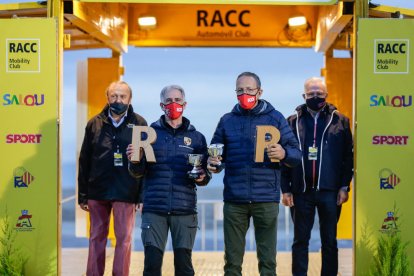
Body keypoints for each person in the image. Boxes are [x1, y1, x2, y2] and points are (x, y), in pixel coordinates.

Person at [207, 72, 301, 276]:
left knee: (268, 264)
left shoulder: (275, 118)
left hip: (265, 199)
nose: (245, 93)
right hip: (235, 200)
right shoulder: (226, 120)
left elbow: (295, 154)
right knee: (232, 264)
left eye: (249, 89)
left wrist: (284, 153)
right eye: (240, 90)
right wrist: (213, 164)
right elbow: (215, 155)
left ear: (260, 91)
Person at [127, 84, 211, 276]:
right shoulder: (147, 134)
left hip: (185, 210)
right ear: (161, 105)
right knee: (151, 267)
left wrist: (202, 176)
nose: (173, 105)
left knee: (184, 268)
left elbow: (204, 175)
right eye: (168, 101)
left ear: (185, 104)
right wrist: (134, 159)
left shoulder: (197, 138)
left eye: (177, 101)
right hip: (154, 211)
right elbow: (137, 172)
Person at [281, 77, 353, 276]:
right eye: (311, 93)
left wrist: (344, 187)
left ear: (326, 95)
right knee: (300, 241)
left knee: (329, 241)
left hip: (330, 192)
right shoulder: (291, 122)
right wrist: (285, 189)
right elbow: (283, 158)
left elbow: (348, 157)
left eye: (319, 93)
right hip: (300, 191)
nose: (315, 97)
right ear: (304, 95)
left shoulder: (341, 121)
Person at [78, 80, 147, 276]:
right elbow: (84, 161)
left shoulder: (140, 124)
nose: (118, 100)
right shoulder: (94, 123)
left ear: (129, 99)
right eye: (114, 96)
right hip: (97, 191)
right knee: (96, 238)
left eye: (122, 96)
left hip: (126, 191)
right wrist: (83, 195)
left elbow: (147, 164)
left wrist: (141, 196)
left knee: (124, 240)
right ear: (108, 98)